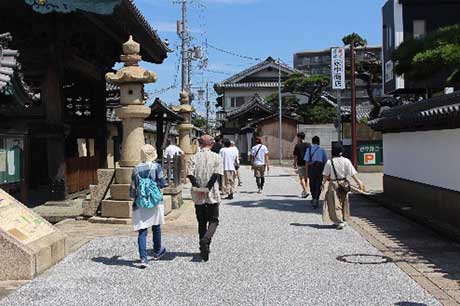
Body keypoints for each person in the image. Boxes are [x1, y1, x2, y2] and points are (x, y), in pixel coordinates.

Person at [129, 144, 168, 268]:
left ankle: (143, 258)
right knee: (156, 226)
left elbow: (133, 189)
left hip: (141, 202)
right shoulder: (156, 166)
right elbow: (162, 183)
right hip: (155, 201)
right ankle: (157, 251)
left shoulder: (136, 168)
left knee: (142, 230)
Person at [187, 135, 224, 261]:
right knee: (214, 220)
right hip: (212, 192)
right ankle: (206, 240)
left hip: (198, 194)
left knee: (201, 221)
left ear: (200, 143)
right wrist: (207, 187)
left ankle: (202, 248)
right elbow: (216, 174)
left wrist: (198, 187)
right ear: (211, 144)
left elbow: (190, 174)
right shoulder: (216, 157)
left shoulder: (193, 157)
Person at [322, 143, 365, 230]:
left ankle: (339, 221)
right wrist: (359, 182)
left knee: (334, 203)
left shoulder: (330, 162)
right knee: (344, 201)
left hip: (333, 184)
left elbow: (326, 175)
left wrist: (323, 183)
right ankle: (343, 219)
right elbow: (353, 174)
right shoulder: (346, 161)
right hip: (344, 183)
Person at [304, 136, 328, 209]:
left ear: (312, 142)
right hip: (320, 169)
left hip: (311, 169)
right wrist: (326, 173)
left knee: (312, 184)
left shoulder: (309, 149)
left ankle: (314, 197)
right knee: (318, 184)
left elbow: (306, 161)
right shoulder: (322, 150)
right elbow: (325, 162)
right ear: (319, 142)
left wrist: (306, 172)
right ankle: (316, 199)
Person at [293, 132, 310, 198]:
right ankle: (305, 190)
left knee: (301, 178)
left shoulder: (297, 146)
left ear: (299, 138)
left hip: (300, 164)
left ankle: (305, 191)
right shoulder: (308, 145)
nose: (297, 139)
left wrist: (294, 163)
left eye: (297, 137)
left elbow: (295, 156)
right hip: (307, 164)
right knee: (306, 178)